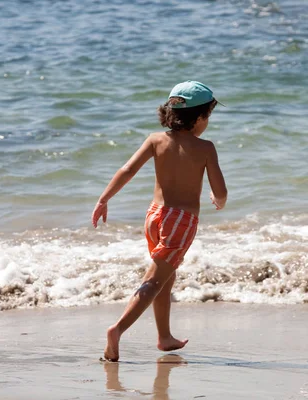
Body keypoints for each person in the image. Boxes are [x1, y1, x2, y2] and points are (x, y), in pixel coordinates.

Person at [92, 81, 228, 362]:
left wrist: (103, 199)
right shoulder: (205, 148)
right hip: (182, 221)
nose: (208, 122)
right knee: (154, 281)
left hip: (155, 215)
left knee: (166, 276)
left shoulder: (156, 139)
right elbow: (221, 193)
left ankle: (164, 337)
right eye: (208, 117)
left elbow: (127, 169)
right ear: (200, 117)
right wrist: (219, 201)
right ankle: (117, 330)